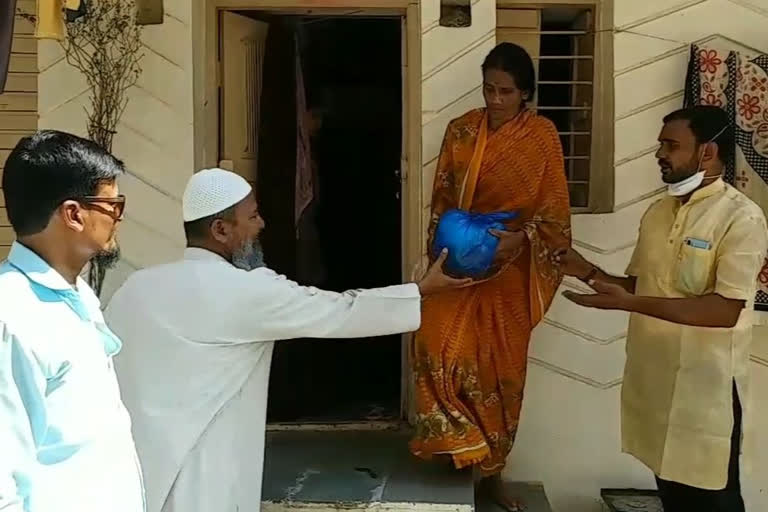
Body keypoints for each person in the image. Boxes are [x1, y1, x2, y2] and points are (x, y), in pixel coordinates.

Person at [103, 167, 472, 512]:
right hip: (205, 471)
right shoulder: (245, 292)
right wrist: (421, 291)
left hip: (138, 468)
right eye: (252, 216)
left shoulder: (137, 287)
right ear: (220, 229)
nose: (261, 224)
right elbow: (341, 311)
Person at [555, 105, 768, 512]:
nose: (660, 155)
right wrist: (584, 270)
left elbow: (724, 311)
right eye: (660, 145)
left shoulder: (741, 217)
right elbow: (640, 286)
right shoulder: (657, 213)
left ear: (707, 152)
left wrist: (629, 304)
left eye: (671, 146)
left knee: (712, 501)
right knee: (672, 498)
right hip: (655, 387)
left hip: (706, 395)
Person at [409, 42, 571, 511]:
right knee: (433, 347)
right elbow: (442, 197)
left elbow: (554, 211)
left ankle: (492, 476)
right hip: (458, 263)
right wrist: (441, 255)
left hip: (510, 273)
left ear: (525, 94)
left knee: (500, 370)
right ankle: (457, 449)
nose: (495, 99)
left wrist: (524, 239)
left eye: (505, 91)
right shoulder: (461, 131)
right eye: (488, 89)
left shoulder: (541, 136)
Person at [0, 130, 144, 512]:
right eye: (113, 205)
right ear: (74, 214)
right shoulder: (12, 314)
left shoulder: (77, 294)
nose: (118, 218)